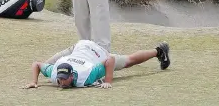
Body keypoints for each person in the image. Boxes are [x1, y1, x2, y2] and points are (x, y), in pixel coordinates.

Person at [23, 40, 170, 89]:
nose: (61, 83)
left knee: (128, 61)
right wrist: (34, 82)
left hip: (98, 53)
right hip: (78, 48)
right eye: (60, 79)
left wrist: (107, 81)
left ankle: (159, 51)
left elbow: (110, 60)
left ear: (72, 75)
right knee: (47, 64)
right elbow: (36, 64)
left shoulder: (87, 75)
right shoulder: (55, 72)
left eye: (63, 79)